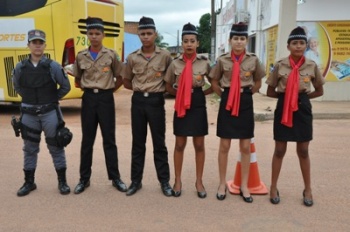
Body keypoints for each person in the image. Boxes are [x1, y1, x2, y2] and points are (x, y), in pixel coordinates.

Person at [266, 26, 325, 207]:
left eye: (301, 43)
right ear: (288, 45)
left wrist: (301, 98)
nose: (298, 46)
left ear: (306, 46)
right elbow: (270, 90)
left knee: (303, 151)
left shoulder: (312, 66)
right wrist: (287, 98)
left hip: (303, 109)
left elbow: (319, 91)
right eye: (295, 43)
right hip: (283, 106)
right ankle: (273, 187)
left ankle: (307, 189)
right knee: (279, 150)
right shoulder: (280, 65)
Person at [209, 22, 265, 202]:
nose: (239, 42)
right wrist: (226, 96)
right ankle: (221, 183)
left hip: (245, 102)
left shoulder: (253, 60)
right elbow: (215, 81)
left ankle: (244, 185)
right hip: (227, 102)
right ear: (230, 40)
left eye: (242, 39)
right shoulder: (223, 60)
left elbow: (258, 82)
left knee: (245, 146)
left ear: (246, 41)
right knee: (224, 146)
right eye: (236, 38)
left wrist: (246, 94)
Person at [12, 29, 71, 196]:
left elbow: (66, 87)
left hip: (49, 112)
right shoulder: (20, 67)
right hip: (29, 114)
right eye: (34, 42)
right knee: (29, 148)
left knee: (56, 145)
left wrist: (52, 98)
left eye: (40, 42)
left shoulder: (53, 66)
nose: (37, 46)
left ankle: (62, 182)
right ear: (28, 45)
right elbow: (17, 86)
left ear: (45, 45)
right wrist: (30, 99)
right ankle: (29, 182)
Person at [73, 17, 127, 194]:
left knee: (109, 140)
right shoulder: (81, 55)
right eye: (91, 33)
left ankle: (115, 178)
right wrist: (91, 90)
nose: (94, 36)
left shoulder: (111, 55)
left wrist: (109, 90)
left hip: (105, 99)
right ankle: (84, 179)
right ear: (87, 35)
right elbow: (78, 79)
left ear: (103, 35)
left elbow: (120, 77)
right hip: (89, 99)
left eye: (97, 33)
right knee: (87, 140)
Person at [123, 16, 173, 197]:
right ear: (138, 35)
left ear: (155, 34)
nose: (146, 37)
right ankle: (136, 181)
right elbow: (127, 81)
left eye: (149, 33)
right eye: (142, 33)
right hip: (138, 102)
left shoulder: (166, 56)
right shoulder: (132, 58)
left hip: (156, 102)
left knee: (159, 144)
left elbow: (170, 80)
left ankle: (165, 182)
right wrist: (141, 90)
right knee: (138, 144)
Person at [164, 23, 212, 198]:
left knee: (199, 144)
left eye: (192, 41)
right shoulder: (174, 63)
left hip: (198, 103)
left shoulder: (205, 63)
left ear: (198, 43)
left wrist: (200, 93)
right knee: (180, 144)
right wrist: (181, 95)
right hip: (181, 104)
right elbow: (168, 86)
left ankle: (199, 181)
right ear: (182, 43)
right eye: (186, 41)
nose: (189, 44)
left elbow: (213, 83)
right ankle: (177, 180)